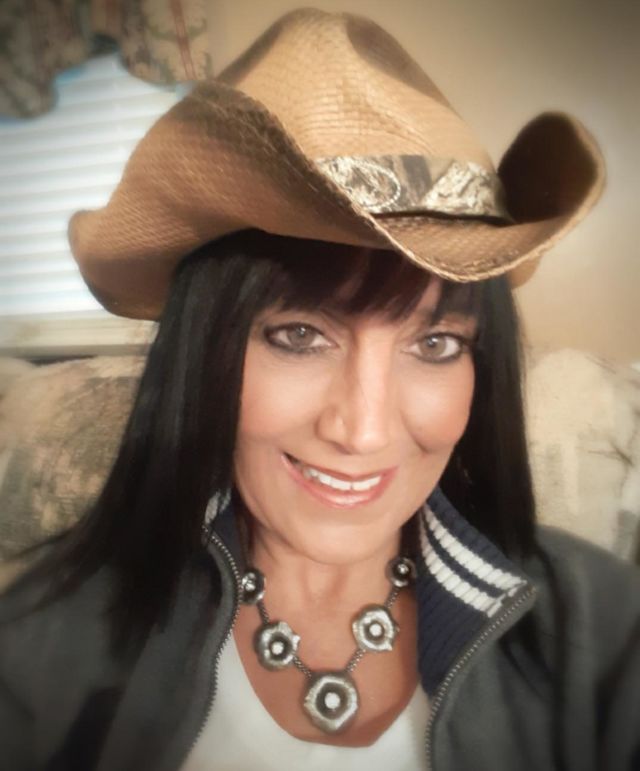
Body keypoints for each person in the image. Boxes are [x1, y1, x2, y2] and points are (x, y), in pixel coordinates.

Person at [1, 8, 638, 771]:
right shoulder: (41, 642)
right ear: (205, 352)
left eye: (435, 344)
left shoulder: (602, 624)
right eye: (300, 335)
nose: (363, 430)